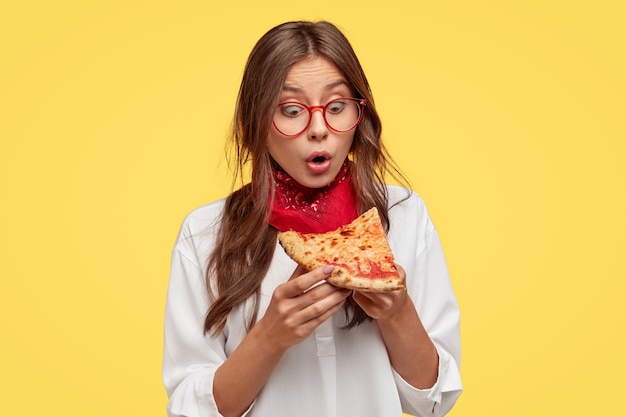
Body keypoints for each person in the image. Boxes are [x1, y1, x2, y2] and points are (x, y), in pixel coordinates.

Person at [163, 20, 462, 417]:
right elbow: (189, 409)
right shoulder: (204, 234)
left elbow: (432, 402)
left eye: (337, 107)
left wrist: (398, 312)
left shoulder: (404, 215)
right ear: (255, 121)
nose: (319, 129)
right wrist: (269, 338)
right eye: (291, 110)